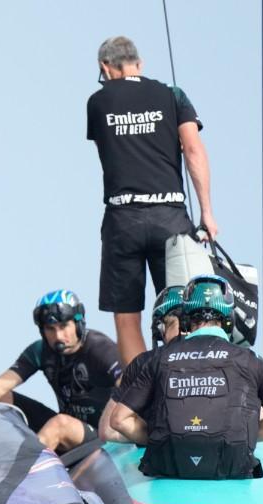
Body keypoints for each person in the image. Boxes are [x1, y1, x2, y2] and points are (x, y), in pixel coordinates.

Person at [87, 36, 217, 367]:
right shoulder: (173, 95)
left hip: (122, 216)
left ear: (105, 67)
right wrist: (207, 213)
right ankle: (183, 379)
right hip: (170, 214)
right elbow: (193, 149)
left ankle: (139, 394)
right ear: (139, 64)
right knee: (181, 306)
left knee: (127, 313)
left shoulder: (98, 101)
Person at [108, 276, 263, 479]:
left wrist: (162, 439)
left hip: (169, 470)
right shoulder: (249, 359)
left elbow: (118, 420)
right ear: (228, 319)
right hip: (233, 467)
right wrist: (248, 435)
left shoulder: (158, 359)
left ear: (185, 319)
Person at [0, 291, 122, 453]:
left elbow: (131, 386)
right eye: (50, 329)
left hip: (102, 438)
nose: (58, 336)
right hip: (65, 426)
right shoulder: (40, 351)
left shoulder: (100, 348)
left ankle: (26, 472)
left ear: (78, 323)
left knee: (60, 424)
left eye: (63, 326)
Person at [100, 286, 185, 442]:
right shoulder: (231, 355)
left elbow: (109, 429)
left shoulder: (146, 362)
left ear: (161, 329)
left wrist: (156, 437)